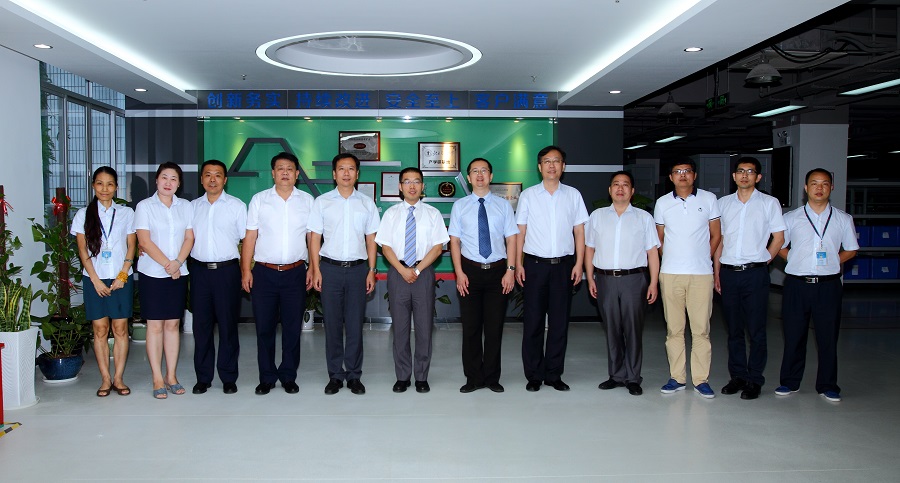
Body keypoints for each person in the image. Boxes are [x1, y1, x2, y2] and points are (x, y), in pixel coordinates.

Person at [776, 168, 857, 402]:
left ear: (831, 187)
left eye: (824, 184)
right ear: (806, 188)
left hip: (828, 286)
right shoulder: (791, 218)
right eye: (814, 183)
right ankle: (789, 382)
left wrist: (833, 261)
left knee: (828, 337)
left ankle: (828, 385)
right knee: (794, 335)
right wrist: (795, 259)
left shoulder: (843, 219)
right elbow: (779, 245)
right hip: (797, 285)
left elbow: (851, 249)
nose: (819, 188)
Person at [515, 145, 588, 392]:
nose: (551, 165)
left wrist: (579, 263)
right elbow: (520, 232)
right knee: (533, 322)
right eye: (547, 161)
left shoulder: (573, 195)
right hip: (534, 266)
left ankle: (554, 374)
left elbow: (579, 231)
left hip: (563, 267)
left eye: (556, 161)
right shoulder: (528, 195)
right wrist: (518, 264)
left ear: (563, 166)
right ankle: (534, 375)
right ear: (539, 167)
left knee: (559, 323)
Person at [241, 152, 313, 395]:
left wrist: (313, 268)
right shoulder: (259, 200)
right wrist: (246, 270)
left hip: (295, 273)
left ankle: (288, 376)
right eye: (280, 168)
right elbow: (250, 237)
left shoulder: (307, 201)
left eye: (290, 168)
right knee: (264, 328)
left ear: (297, 174)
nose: (285, 172)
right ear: (273, 173)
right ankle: (267, 377)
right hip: (264, 273)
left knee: (292, 328)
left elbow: (312, 238)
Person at [714, 157, 785, 400]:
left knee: (756, 330)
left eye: (750, 171)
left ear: (758, 177)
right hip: (729, 273)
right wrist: (717, 273)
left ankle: (754, 379)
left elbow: (778, 237)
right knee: (733, 330)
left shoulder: (769, 203)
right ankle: (738, 376)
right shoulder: (723, 204)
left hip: (755, 274)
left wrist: (764, 261)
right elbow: (720, 240)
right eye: (741, 171)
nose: (745, 175)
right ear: (734, 176)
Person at [309, 153, 380, 395]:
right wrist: (316, 269)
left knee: (354, 324)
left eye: (351, 168)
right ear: (334, 173)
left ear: (357, 174)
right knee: (331, 324)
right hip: (329, 269)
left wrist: (371, 270)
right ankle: (335, 375)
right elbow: (315, 238)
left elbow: (371, 239)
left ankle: (354, 375)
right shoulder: (322, 202)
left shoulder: (366, 204)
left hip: (359, 270)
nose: (346, 173)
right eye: (341, 168)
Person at [584, 171, 659, 396]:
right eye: (616, 184)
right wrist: (590, 278)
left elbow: (652, 253)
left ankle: (633, 377)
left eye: (625, 184)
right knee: (612, 329)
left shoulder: (644, 218)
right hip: (605, 280)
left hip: (634, 280)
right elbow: (589, 249)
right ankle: (616, 375)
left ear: (632, 191)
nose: (620, 188)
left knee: (633, 329)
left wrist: (653, 283)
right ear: (609, 190)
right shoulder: (597, 216)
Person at [375, 167, 448, 393]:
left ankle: (422, 377)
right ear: (400, 186)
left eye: (416, 181)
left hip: (423, 272)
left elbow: (437, 248)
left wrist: (416, 270)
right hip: (398, 273)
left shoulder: (433, 214)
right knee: (400, 328)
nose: (412, 186)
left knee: (424, 328)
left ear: (423, 186)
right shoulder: (391, 214)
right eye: (407, 182)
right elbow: (385, 247)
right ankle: (403, 376)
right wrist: (402, 269)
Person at [654, 158, 721, 398]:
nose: (682, 175)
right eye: (677, 171)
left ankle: (701, 380)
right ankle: (677, 378)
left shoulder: (709, 199)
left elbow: (716, 235)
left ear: (694, 175)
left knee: (701, 330)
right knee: (674, 330)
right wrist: (672, 258)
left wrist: (703, 257)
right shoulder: (662, 203)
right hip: (670, 274)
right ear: (671, 177)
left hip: (701, 275)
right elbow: (659, 239)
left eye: (687, 171)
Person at [449, 158, 518, 394]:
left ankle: (491, 377)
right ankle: (473, 378)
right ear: (469, 178)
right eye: (475, 171)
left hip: (498, 273)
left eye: (484, 171)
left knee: (494, 328)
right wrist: (459, 273)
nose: (480, 175)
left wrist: (510, 270)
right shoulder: (460, 206)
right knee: (470, 328)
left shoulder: (503, 206)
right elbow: (454, 242)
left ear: (491, 176)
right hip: (469, 272)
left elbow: (511, 239)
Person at [72, 166, 136, 397]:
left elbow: (132, 246)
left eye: (110, 184)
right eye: (100, 183)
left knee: (120, 329)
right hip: (94, 278)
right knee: (100, 330)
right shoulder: (83, 215)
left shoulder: (126, 213)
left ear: (116, 187)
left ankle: (118, 378)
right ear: (93, 186)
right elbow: (82, 250)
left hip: (121, 279)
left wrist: (122, 275)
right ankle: (105, 379)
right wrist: (96, 280)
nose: (105, 188)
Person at [134, 162, 194, 399]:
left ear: (179, 184)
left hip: (178, 273)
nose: (168, 183)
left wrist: (177, 262)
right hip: (152, 274)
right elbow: (144, 241)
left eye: (173, 179)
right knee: (155, 326)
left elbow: (189, 238)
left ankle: (171, 376)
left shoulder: (185, 206)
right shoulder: (144, 206)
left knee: (172, 325)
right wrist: (168, 265)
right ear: (156, 180)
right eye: (164, 177)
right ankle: (157, 378)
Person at [189, 159, 247, 395]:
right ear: (202, 179)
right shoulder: (192, 207)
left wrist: (246, 271)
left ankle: (228, 377)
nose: (212, 179)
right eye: (208, 175)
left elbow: (247, 241)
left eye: (217, 175)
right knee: (201, 327)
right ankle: (203, 378)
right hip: (199, 272)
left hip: (227, 272)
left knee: (228, 326)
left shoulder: (237, 206)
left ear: (225, 180)